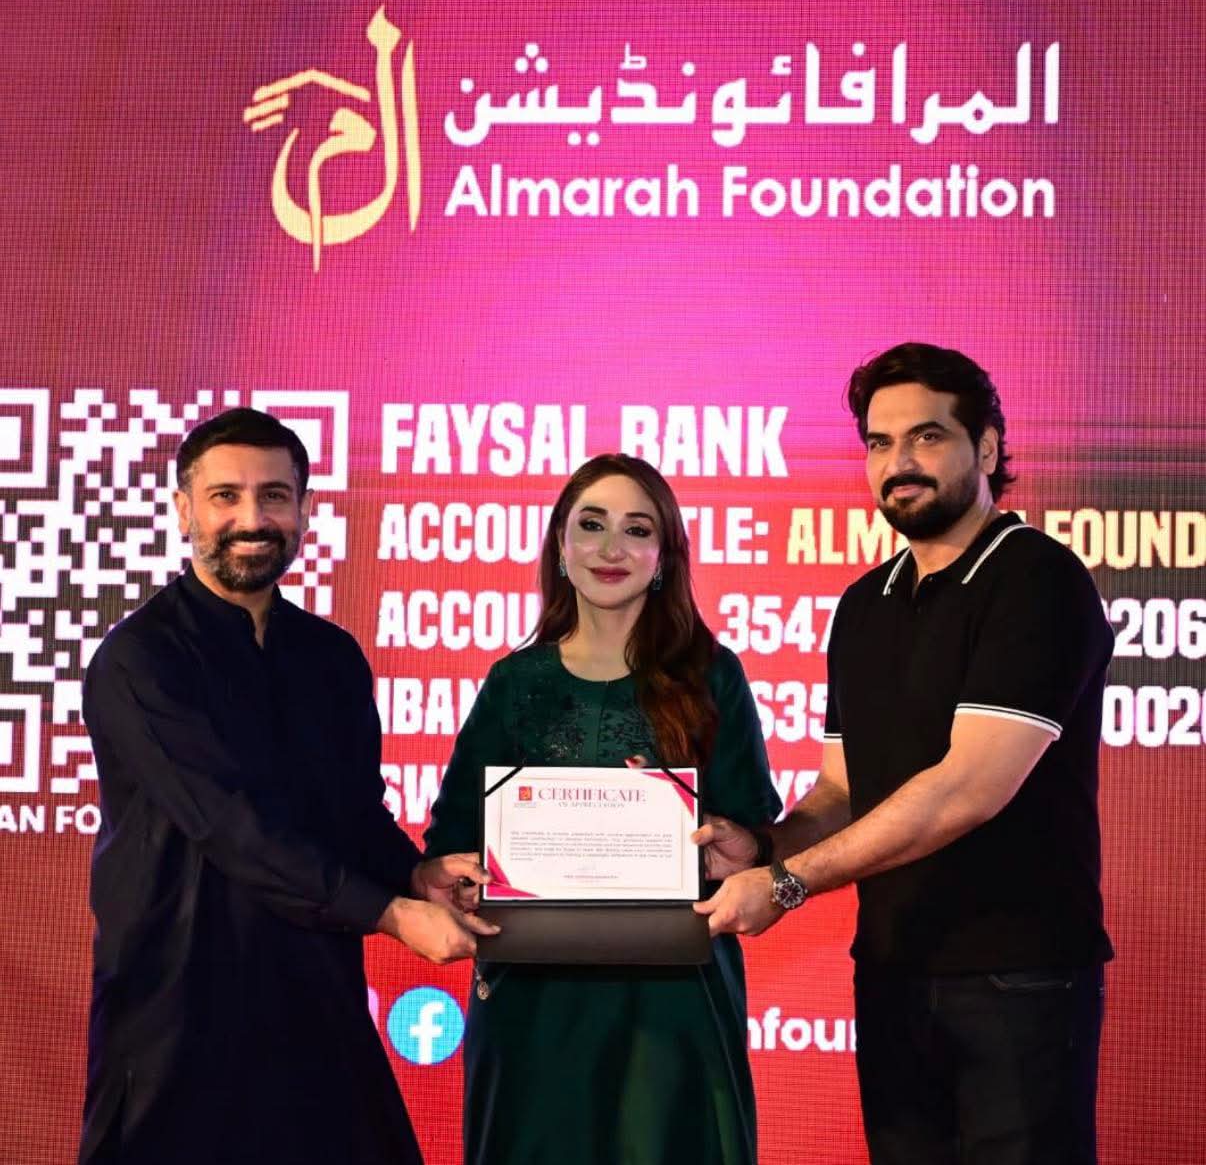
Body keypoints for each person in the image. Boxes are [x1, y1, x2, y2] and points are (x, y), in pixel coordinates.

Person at [697, 344, 1114, 1164]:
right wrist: (764, 846)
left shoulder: (1038, 579)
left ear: (986, 447)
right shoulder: (865, 604)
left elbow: (967, 788)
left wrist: (786, 883)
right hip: (892, 973)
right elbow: (841, 791)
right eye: (880, 443)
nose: (899, 464)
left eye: (926, 436)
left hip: (1018, 979)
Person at [78, 408, 495, 1165]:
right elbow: (231, 826)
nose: (252, 518)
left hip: (316, 999)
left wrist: (415, 875)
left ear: (304, 509)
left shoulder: (331, 658)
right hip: (178, 1016)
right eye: (225, 496)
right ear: (184, 510)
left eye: (274, 496)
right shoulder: (140, 659)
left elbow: (352, 816)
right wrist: (391, 913)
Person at [424, 453, 782, 1165]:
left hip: (673, 1002)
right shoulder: (513, 680)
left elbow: (759, 836)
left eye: (637, 529)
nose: (611, 547)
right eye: (591, 525)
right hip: (533, 1001)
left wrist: (735, 845)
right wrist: (450, 875)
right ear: (560, 545)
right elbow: (451, 840)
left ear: (664, 556)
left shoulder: (712, 675)